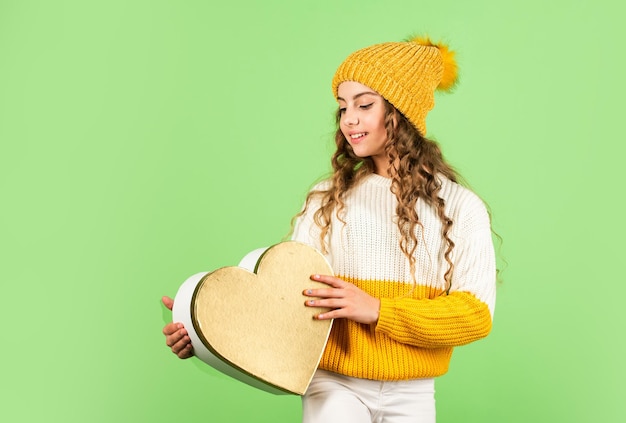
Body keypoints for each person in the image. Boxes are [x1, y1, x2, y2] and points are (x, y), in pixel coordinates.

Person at [162, 35, 496, 423]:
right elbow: (286, 302)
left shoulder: (459, 208)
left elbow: (474, 315)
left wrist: (377, 310)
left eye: (365, 104)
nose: (349, 118)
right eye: (342, 107)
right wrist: (204, 327)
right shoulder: (327, 199)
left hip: (415, 388)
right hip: (333, 383)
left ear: (402, 113)